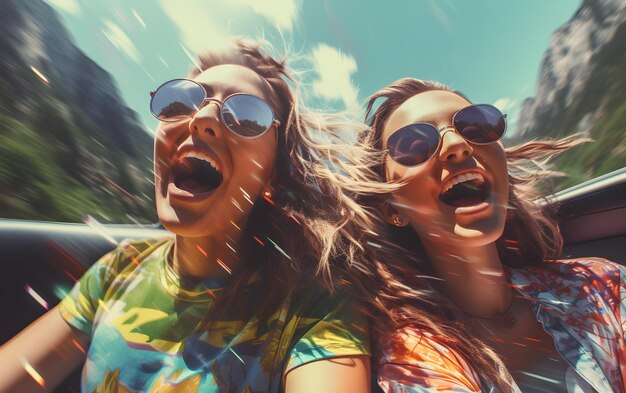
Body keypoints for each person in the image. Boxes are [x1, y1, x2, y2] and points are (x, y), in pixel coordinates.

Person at [0, 39, 375, 393]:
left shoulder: (314, 306)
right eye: (181, 102)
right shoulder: (119, 269)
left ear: (271, 178)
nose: (203, 118)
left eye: (247, 115)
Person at [357, 78, 626, 392]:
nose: (458, 144)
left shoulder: (601, 285)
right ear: (393, 208)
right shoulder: (412, 361)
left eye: (475, 126)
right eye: (413, 144)